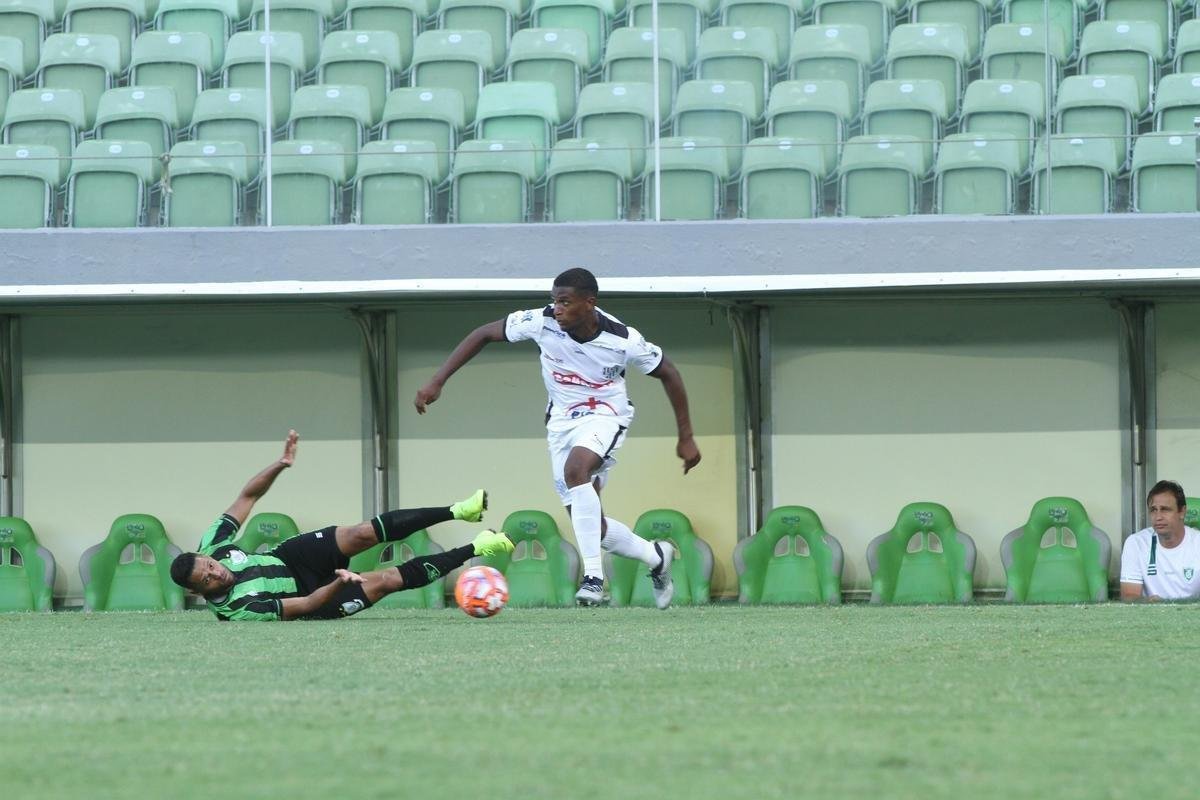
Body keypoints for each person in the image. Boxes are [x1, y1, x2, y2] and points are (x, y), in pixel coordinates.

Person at [414, 267, 701, 608]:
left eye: (565, 302)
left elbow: (669, 373)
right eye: (554, 300)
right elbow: (483, 334)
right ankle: (656, 557)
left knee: (576, 471)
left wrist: (686, 437)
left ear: (589, 303)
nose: (557, 308)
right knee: (592, 525)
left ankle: (594, 578)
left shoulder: (623, 339)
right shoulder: (541, 321)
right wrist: (438, 381)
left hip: (606, 415)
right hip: (561, 423)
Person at [169, 430, 513, 621]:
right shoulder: (239, 611)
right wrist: (339, 582)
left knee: (360, 533)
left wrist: (281, 464)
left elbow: (246, 497)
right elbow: (305, 606)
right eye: (208, 579)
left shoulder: (213, 544)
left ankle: (459, 510)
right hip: (312, 599)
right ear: (197, 592)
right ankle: (477, 547)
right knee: (387, 580)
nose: (216, 572)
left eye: (211, 566)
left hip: (289, 559)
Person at [1120, 480, 1200, 602]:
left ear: (1182, 512)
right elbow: (1129, 595)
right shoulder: (1136, 543)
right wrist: (1146, 602)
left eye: (1165, 509)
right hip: (1151, 617)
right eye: (1153, 510)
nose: (1158, 517)